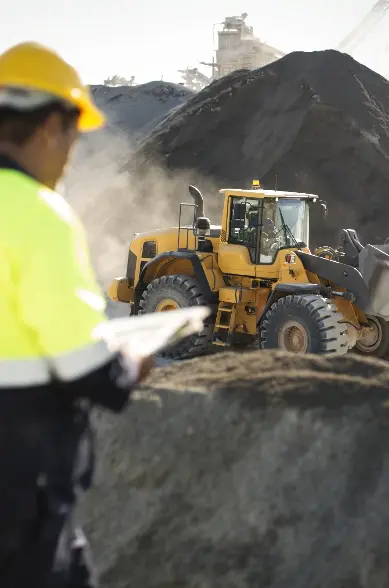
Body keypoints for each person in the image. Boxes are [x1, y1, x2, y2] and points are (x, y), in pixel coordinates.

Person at [0, 42, 153, 587]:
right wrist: (130, 361)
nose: (70, 154)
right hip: (19, 476)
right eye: (72, 136)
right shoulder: (39, 215)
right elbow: (84, 366)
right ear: (48, 128)